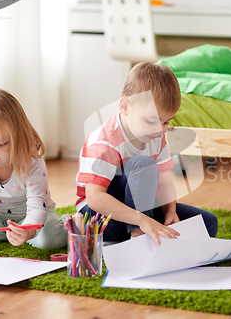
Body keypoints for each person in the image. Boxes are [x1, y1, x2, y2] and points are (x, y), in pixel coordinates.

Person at [76, 62, 218, 245]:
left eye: (166, 122)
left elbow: (165, 182)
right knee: (143, 163)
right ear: (125, 107)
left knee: (207, 224)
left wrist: (170, 212)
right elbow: (95, 199)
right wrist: (142, 221)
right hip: (98, 218)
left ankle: (144, 231)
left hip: (139, 211)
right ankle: (138, 237)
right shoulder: (104, 142)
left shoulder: (156, 136)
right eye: (152, 121)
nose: (160, 130)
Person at [0, 88, 67, 262]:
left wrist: (27, 230)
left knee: (49, 239)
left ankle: (67, 223)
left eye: (2, 143)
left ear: (19, 137)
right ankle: (5, 234)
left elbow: (38, 208)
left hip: (31, 217)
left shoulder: (32, 164)